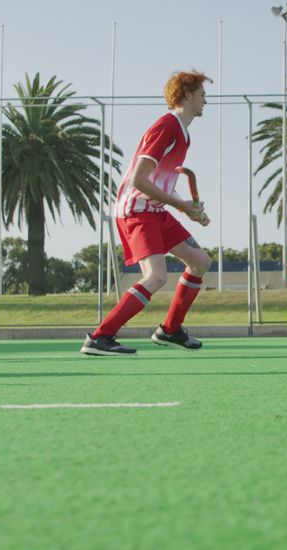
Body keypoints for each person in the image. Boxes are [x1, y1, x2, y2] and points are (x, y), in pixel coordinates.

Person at [81, 70, 213, 356]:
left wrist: (190, 210)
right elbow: (138, 180)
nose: (206, 100)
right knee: (155, 277)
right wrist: (181, 206)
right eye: (202, 94)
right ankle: (101, 337)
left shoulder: (183, 133)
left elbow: (161, 181)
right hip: (137, 211)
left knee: (200, 262)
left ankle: (169, 330)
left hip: (154, 209)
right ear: (187, 94)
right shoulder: (167, 126)